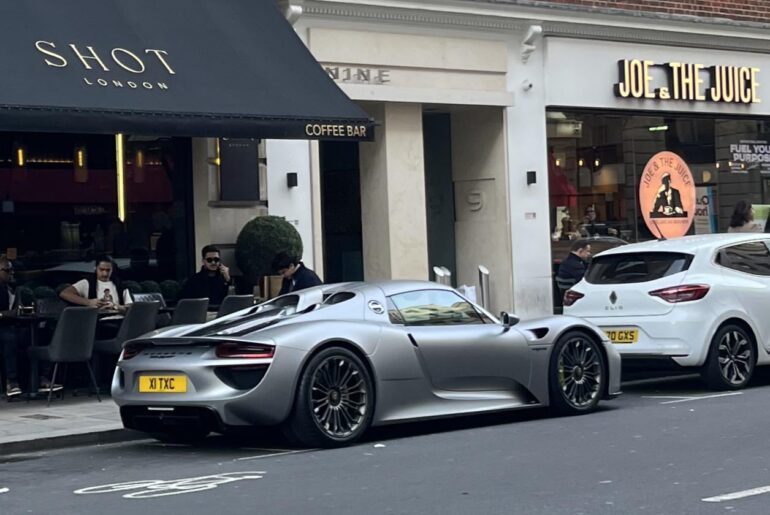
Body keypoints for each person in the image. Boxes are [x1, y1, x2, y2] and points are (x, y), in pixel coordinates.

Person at [0, 256, 59, 397]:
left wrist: (19, 310)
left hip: (14, 325)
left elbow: (18, 308)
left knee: (41, 335)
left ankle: (41, 378)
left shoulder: (13, 288)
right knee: (10, 339)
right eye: (7, 270)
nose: (11, 273)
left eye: (12, 270)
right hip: (4, 328)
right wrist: (9, 314)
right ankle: (11, 381)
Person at [59, 254, 133, 312]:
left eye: (108, 270)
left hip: (118, 322)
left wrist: (115, 306)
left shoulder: (119, 285)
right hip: (96, 323)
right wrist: (89, 302)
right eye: (101, 270)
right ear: (95, 268)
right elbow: (65, 293)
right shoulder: (87, 283)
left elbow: (130, 307)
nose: (105, 273)